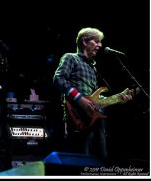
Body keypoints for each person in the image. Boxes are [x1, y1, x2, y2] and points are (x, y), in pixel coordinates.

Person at [53, 27, 133, 163]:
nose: (100, 45)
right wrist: (80, 99)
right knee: (81, 162)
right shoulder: (70, 58)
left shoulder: (93, 67)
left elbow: (95, 99)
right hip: (78, 119)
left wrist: (118, 99)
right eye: (96, 41)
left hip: (96, 121)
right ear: (85, 42)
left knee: (101, 162)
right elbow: (58, 79)